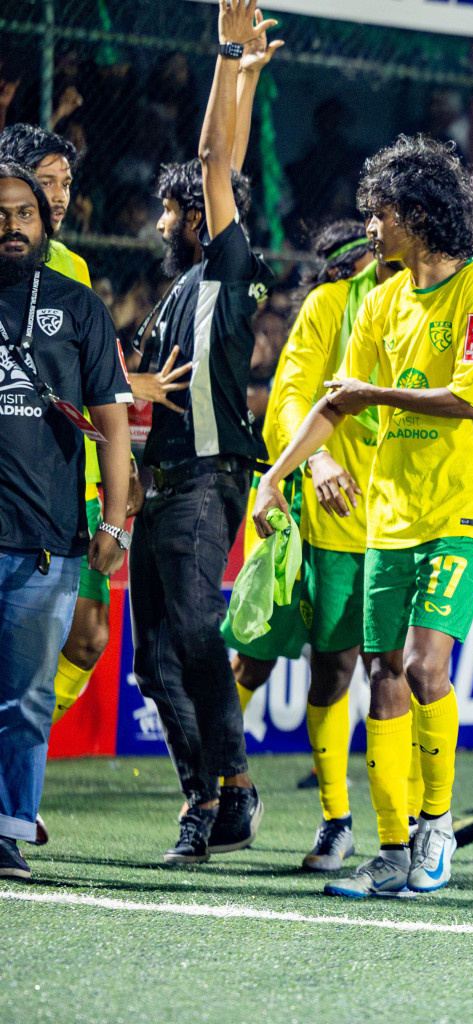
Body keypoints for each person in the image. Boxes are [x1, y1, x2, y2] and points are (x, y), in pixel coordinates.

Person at [254, 132, 473, 898]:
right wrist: (277, 477)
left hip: (462, 508)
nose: (369, 228)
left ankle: (436, 828)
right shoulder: (376, 303)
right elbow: (333, 404)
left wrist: (375, 395)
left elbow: (471, 396)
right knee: (382, 674)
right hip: (389, 514)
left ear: (416, 214)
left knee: (425, 665)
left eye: (378, 214)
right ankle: (393, 847)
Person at [129, 0, 280, 865]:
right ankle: (206, 799)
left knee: (192, 634)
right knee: (155, 661)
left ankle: (234, 788)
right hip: (160, 490)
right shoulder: (178, 294)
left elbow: (214, 156)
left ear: (200, 216)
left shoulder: (227, 267)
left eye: (170, 211)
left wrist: (228, 57)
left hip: (208, 477)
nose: (159, 223)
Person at [220, 221, 392, 872]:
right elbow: (288, 403)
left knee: (374, 672)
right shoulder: (330, 306)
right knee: (261, 660)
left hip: (396, 522)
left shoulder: (426, 302)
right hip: (319, 523)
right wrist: (313, 465)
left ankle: (384, 820)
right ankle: (219, 789)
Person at [0, 162, 131, 879]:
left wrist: (114, 522)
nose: (13, 226)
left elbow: (111, 419)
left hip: (47, 539)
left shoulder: (79, 306)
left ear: (46, 224)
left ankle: (7, 830)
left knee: (24, 697)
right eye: (0, 213)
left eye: (25, 213)